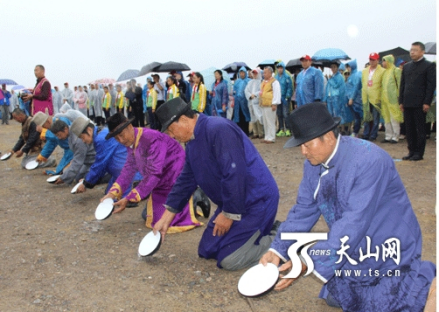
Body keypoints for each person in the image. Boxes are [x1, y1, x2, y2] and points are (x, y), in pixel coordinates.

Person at [260, 102, 436, 311]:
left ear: (330, 136)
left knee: (391, 300)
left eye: (307, 144)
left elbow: (354, 222)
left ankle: (429, 282)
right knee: (340, 297)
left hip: (385, 244)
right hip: (351, 245)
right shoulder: (313, 165)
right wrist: (278, 249)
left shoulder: (369, 160)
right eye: (301, 146)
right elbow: (303, 210)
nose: (303, 152)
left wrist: (308, 259)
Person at [153, 98, 280, 270]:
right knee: (207, 250)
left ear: (183, 119)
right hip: (233, 202)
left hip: (256, 200)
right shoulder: (192, 141)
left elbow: (235, 173)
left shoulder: (218, 128)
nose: (171, 136)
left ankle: (283, 240)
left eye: (170, 130)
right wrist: (166, 217)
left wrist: (228, 214)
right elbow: (187, 179)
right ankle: (263, 227)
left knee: (230, 259)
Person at [100, 113, 201, 231]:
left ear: (129, 127)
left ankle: (195, 196)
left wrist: (129, 197)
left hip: (175, 174)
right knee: (148, 216)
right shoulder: (132, 140)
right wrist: (113, 193)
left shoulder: (151, 139)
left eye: (121, 135)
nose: (121, 140)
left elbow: (154, 173)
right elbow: (129, 169)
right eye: (117, 138)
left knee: (168, 220)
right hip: (161, 179)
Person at [69, 117, 141, 198]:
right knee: (108, 193)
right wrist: (86, 180)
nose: (83, 141)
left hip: (127, 173)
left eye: (82, 137)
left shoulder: (101, 139)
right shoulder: (101, 134)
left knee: (116, 199)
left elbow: (100, 164)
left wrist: (86, 182)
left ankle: (137, 184)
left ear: (89, 130)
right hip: (120, 172)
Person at [399, 42, 436, 161]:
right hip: (407, 102)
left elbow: (431, 86)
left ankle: (419, 153)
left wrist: (427, 102)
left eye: (415, 50)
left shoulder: (429, 66)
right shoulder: (407, 66)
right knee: (409, 129)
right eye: (411, 50)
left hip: (420, 103)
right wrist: (401, 101)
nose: (412, 52)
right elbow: (403, 85)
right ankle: (411, 151)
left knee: (419, 129)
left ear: (422, 52)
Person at [50, 119, 96, 185]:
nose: (59, 138)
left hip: (93, 160)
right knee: (78, 176)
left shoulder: (77, 139)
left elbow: (78, 162)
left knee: (84, 177)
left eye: (59, 135)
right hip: (87, 161)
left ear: (65, 129)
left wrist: (63, 178)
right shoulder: (70, 133)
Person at [361, 53, 385, 141]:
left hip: (376, 98)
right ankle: (366, 133)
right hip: (366, 97)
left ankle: (373, 134)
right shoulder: (365, 71)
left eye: (373, 59)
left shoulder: (382, 71)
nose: (371, 61)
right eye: (370, 59)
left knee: (375, 118)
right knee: (367, 117)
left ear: (378, 60)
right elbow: (363, 83)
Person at [324, 61, 352, 134]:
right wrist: (325, 99)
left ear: (337, 68)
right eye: (332, 67)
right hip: (330, 97)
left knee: (338, 113)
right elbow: (327, 88)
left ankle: (342, 129)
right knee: (331, 114)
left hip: (337, 97)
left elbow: (336, 85)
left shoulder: (339, 76)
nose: (333, 68)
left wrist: (330, 80)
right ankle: (334, 128)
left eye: (334, 67)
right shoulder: (332, 77)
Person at [381, 55, 403, 144]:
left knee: (394, 118)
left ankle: (395, 136)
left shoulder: (396, 71)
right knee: (387, 118)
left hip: (393, 99)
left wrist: (399, 97)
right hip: (385, 99)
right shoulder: (385, 72)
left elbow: (400, 84)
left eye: (384, 61)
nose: (383, 63)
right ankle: (388, 136)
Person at [259, 66, 281, 144]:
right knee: (265, 121)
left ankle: (272, 137)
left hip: (270, 104)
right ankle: (267, 136)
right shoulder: (263, 82)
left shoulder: (274, 82)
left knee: (270, 121)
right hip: (263, 104)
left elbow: (276, 93)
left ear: (270, 73)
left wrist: (274, 103)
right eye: (263, 72)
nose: (264, 74)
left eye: (265, 72)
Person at [345, 60, 363, 138]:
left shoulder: (356, 75)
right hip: (350, 99)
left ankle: (356, 131)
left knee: (357, 116)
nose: (348, 68)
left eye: (349, 67)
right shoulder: (351, 75)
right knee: (354, 116)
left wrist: (352, 98)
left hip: (355, 100)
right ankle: (354, 131)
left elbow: (355, 88)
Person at [275, 62, 293, 137]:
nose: (280, 69)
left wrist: (287, 96)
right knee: (279, 114)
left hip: (285, 98)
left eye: (281, 68)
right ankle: (281, 128)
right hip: (278, 98)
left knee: (286, 114)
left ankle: (288, 129)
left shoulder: (287, 77)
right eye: (278, 68)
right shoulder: (276, 77)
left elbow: (290, 87)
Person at [245, 69, 264, 139]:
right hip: (251, 102)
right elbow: (246, 90)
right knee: (253, 117)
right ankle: (255, 133)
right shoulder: (250, 82)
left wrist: (255, 95)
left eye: (256, 73)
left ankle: (261, 133)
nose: (255, 75)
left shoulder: (261, 82)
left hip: (257, 102)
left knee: (259, 116)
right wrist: (250, 95)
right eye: (254, 73)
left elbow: (261, 91)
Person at [232, 67, 251, 135]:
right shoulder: (237, 82)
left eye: (243, 73)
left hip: (245, 102)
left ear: (245, 73)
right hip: (237, 102)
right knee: (238, 116)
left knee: (245, 116)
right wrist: (235, 95)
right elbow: (234, 90)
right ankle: (239, 132)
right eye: (241, 73)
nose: (242, 74)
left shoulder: (249, 81)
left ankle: (246, 131)